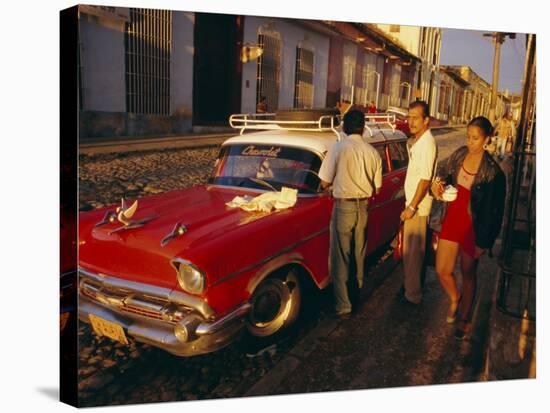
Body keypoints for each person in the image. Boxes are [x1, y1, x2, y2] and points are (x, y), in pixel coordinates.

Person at [431, 116, 506, 339]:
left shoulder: (494, 172)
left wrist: (485, 242)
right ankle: (456, 297)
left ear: (486, 139)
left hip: (474, 226)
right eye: (468, 137)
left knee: (468, 272)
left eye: (475, 138)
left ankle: (464, 317)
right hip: (452, 218)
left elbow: (495, 212)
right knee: (442, 269)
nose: (471, 142)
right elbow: (443, 171)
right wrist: (438, 184)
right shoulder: (460, 154)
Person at [319, 109, 383, 318]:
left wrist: (336, 183)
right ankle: (356, 293)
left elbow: (324, 181)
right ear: (363, 127)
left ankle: (343, 305)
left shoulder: (338, 148)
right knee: (359, 253)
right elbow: (378, 188)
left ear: (345, 127)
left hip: (344, 206)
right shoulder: (372, 152)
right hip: (363, 207)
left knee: (340, 256)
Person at [399, 101, 438, 305]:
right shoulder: (418, 141)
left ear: (426, 120)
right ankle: (409, 288)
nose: (411, 121)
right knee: (409, 252)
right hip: (414, 205)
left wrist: (411, 207)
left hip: (418, 208)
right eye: (409, 117)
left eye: (416, 117)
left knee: (414, 255)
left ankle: (412, 296)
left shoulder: (427, 143)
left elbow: (425, 180)